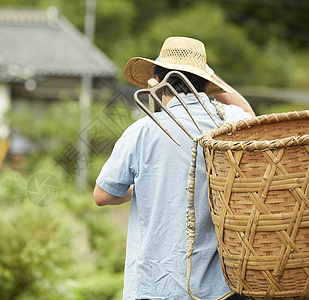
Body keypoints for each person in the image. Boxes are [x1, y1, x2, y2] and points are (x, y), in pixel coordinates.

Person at [93, 37, 255, 300]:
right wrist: (211, 76)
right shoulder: (230, 123)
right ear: (206, 82)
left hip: (155, 287)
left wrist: (142, 188)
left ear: (157, 79)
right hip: (219, 290)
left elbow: (103, 195)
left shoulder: (142, 130)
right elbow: (248, 112)